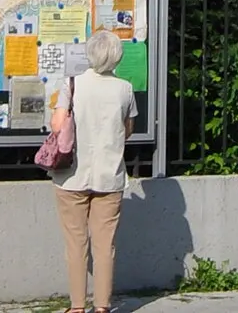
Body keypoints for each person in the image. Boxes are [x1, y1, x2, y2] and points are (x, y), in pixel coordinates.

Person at [50, 28, 137, 313]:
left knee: (76, 243)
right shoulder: (125, 88)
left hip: (72, 176)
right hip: (109, 176)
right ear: (117, 58)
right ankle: (102, 307)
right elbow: (128, 131)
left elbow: (57, 126)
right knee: (104, 246)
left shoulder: (72, 84)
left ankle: (76, 307)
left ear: (89, 54)